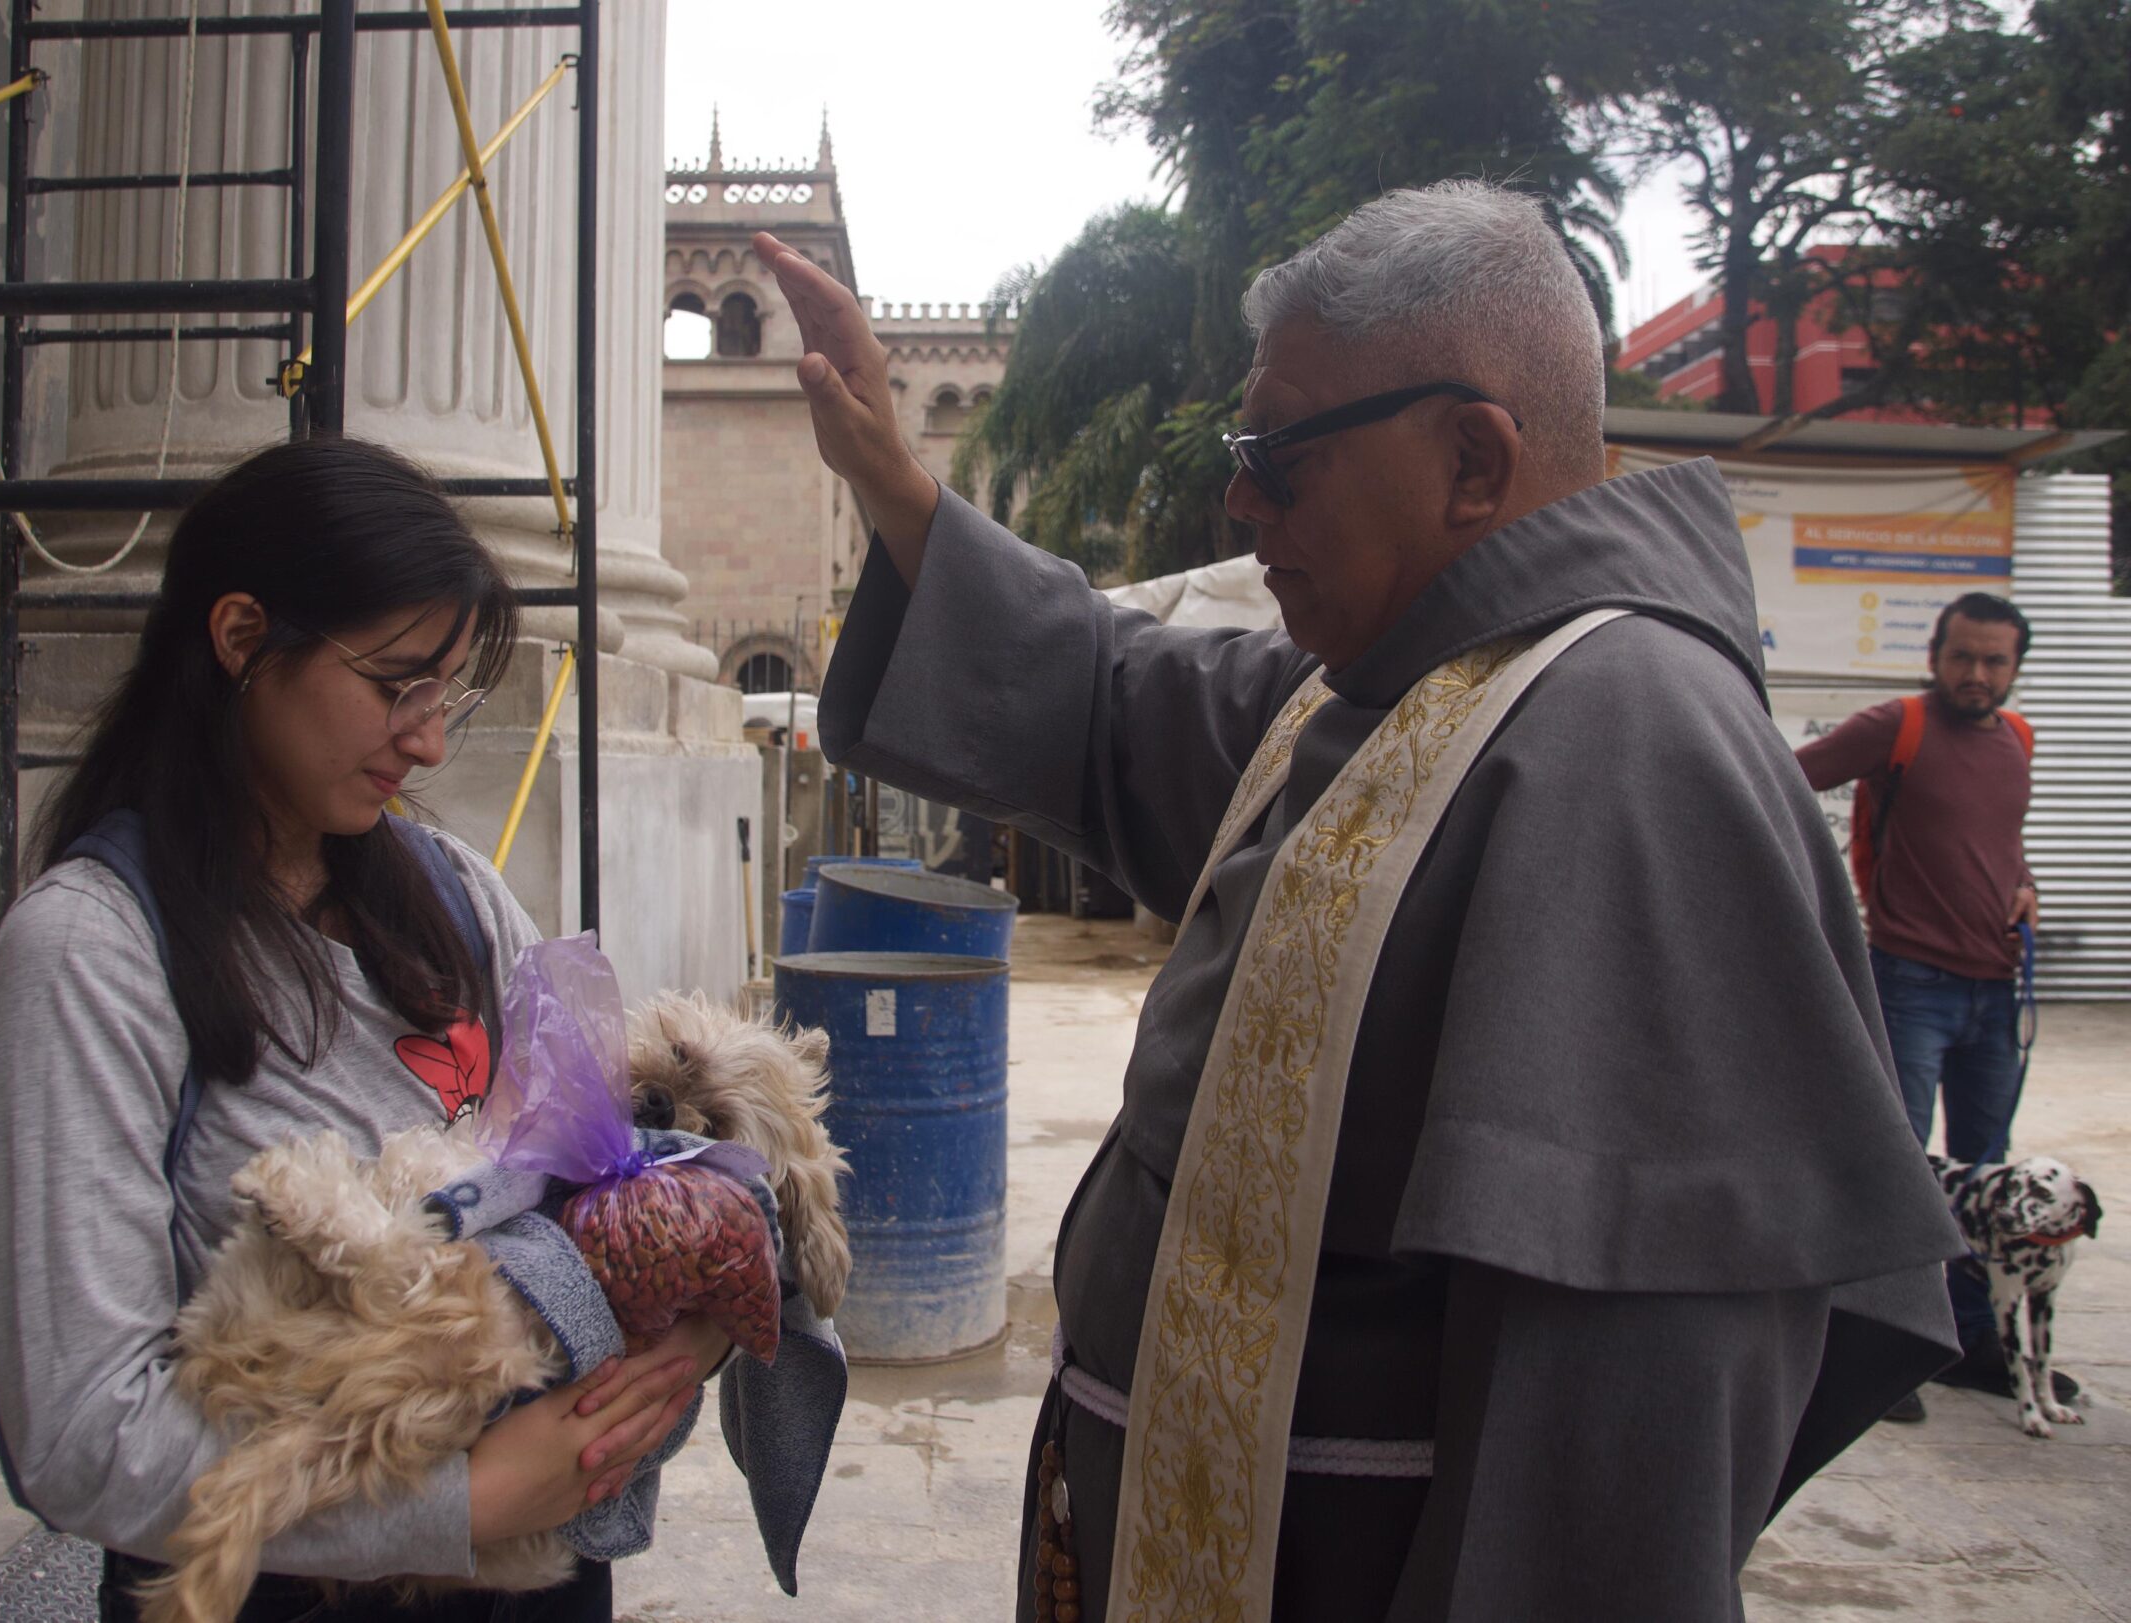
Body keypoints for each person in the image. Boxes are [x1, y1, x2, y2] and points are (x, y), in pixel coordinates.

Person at [755, 180, 1966, 1623]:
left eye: (1280, 456)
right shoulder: (1391, 691)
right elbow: (1108, 692)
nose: (1238, 499)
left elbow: (1608, 1455)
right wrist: (899, 486)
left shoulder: (1627, 745)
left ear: (1470, 457)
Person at [0, 440, 730, 1623]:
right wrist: (459, 1504)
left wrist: (686, 1319)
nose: (427, 740)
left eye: (446, 694)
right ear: (238, 640)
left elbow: (601, 1181)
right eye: (393, 685)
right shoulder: (92, 956)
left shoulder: (458, 896)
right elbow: (80, 1431)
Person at [1796, 592, 2054, 1419]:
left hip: (1995, 984)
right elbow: (1782, 782)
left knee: (1988, 1172)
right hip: (1910, 982)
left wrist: (2024, 888)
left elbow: (2001, 845)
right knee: (1899, 1168)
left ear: (2015, 666)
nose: (1977, 675)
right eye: (1963, 657)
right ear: (1936, 655)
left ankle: (1972, 1343)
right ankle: (1881, 1350)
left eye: (1995, 661)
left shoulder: (2018, 738)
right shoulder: (1895, 726)